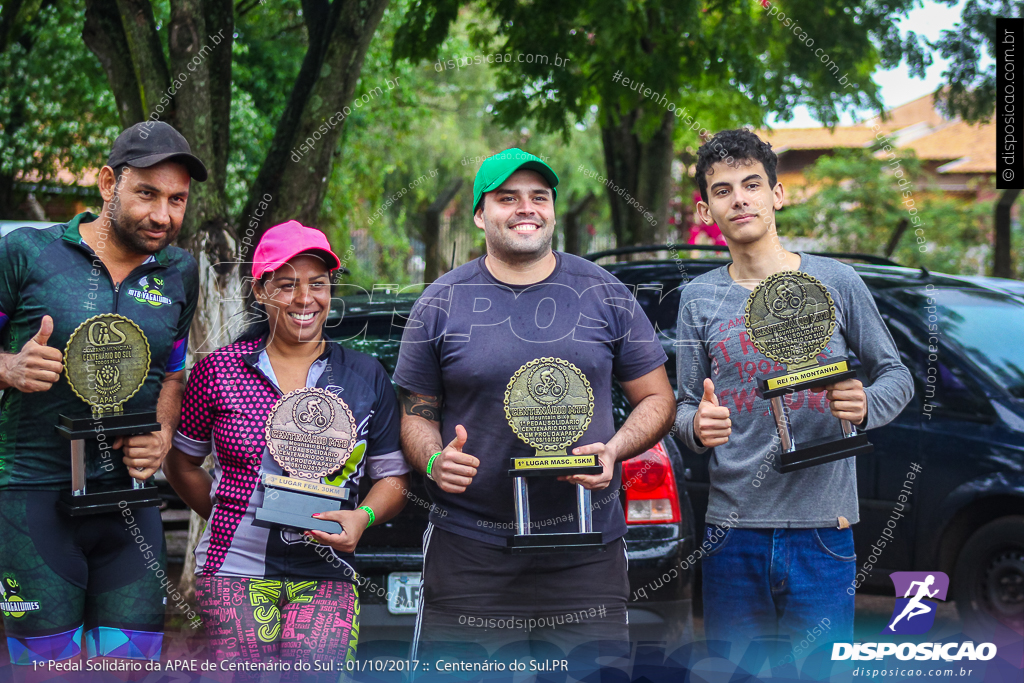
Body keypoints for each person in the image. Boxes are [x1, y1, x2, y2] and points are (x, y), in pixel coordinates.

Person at [394, 148, 676, 657]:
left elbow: (657, 399)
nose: (526, 208)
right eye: (508, 198)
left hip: (585, 549)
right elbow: (417, 412)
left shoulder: (604, 293)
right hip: (470, 549)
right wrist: (435, 460)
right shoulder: (440, 302)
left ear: (551, 208)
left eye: (538, 197)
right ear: (481, 214)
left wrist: (614, 449)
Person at [673, 129, 914, 655]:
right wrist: (694, 426)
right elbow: (684, 405)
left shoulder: (838, 281)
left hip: (823, 531)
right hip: (731, 531)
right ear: (706, 210)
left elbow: (897, 375)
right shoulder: (697, 299)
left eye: (752, 184)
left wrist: (867, 403)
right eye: (723, 190)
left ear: (776, 195)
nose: (739, 198)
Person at [163, 221, 409, 680]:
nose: (304, 298)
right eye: (287, 284)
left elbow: (392, 478)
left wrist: (362, 518)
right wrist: (227, 510)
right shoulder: (218, 372)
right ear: (260, 290)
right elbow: (181, 462)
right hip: (234, 569)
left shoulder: (364, 376)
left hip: (327, 571)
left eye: (317, 283)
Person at [0, 121, 205, 670]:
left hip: (128, 507)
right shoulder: (25, 253)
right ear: (107, 182)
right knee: (47, 672)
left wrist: (161, 433)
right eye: (147, 193)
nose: (164, 215)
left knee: (132, 669)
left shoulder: (180, 271)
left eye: (177, 199)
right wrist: (9, 366)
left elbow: (172, 371)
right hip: (32, 499)